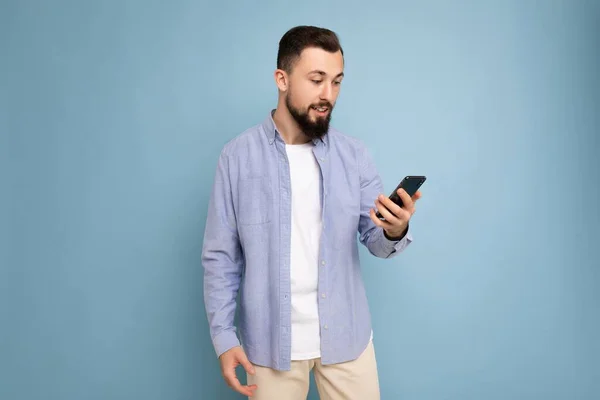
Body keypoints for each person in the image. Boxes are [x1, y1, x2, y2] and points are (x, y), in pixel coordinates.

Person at [202, 25, 422, 399]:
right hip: (270, 347)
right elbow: (221, 257)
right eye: (317, 80)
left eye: (336, 82)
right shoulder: (237, 157)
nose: (328, 95)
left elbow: (375, 240)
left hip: (347, 340)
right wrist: (224, 338)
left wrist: (394, 230)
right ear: (282, 79)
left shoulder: (354, 156)